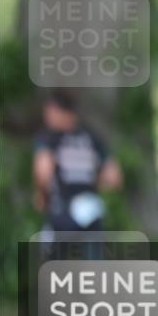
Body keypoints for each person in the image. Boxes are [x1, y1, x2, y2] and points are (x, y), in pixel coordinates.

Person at [33, 92, 123, 234]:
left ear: (61, 112)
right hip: (92, 211)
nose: (47, 118)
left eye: (50, 113)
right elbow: (114, 177)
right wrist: (93, 186)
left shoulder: (49, 139)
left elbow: (43, 171)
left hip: (62, 212)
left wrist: (42, 196)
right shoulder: (93, 138)